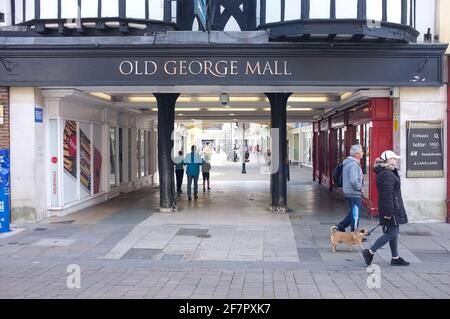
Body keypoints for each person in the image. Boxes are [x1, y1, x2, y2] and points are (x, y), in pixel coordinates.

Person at [362, 151, 410, 266]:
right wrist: (389, 212)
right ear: (388, 160)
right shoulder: (387, 174)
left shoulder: (387, 172)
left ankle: (395, 257)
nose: (395, 160)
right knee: (392, 233)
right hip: (391, 208)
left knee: (394, 232)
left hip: (393, 206)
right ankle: (370, 252)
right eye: (394, 158)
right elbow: (387, 194)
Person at [333, 144, 364, 233]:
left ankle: (340, 226)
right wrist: (360, 188)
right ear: (357, 154)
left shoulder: (350, 163)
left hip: (351, 192)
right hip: (353, 192)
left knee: (354, 212)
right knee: (356, 214)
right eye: (361, 151)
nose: (363, 153)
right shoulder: (353, 164)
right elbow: (353, 180)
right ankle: (354, 233)